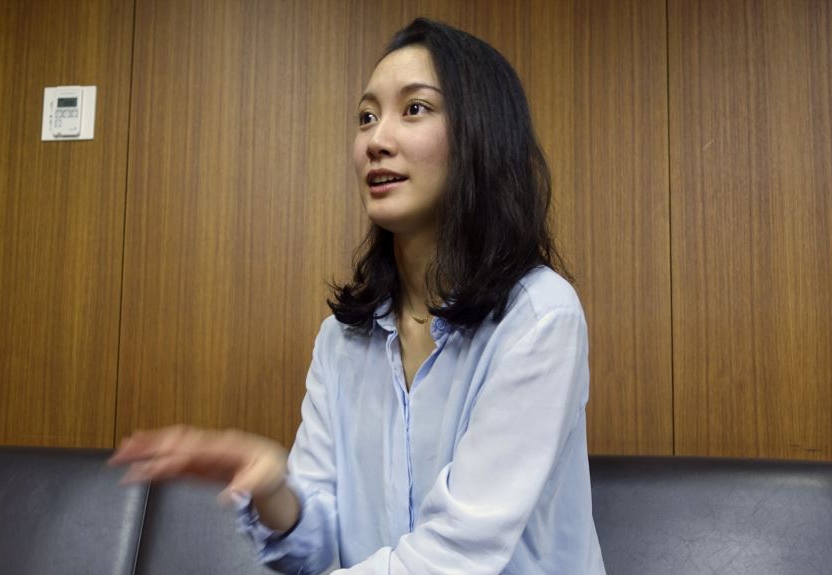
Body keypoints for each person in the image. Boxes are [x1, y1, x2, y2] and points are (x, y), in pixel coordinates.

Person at [109, 18, 606, 574]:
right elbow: (312, 551)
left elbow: (454, 556)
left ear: (482, 137)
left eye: (414, 109)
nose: (376, 141)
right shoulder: (342, 339)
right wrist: (274, 487)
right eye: (367, 117)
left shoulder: (539, 316)